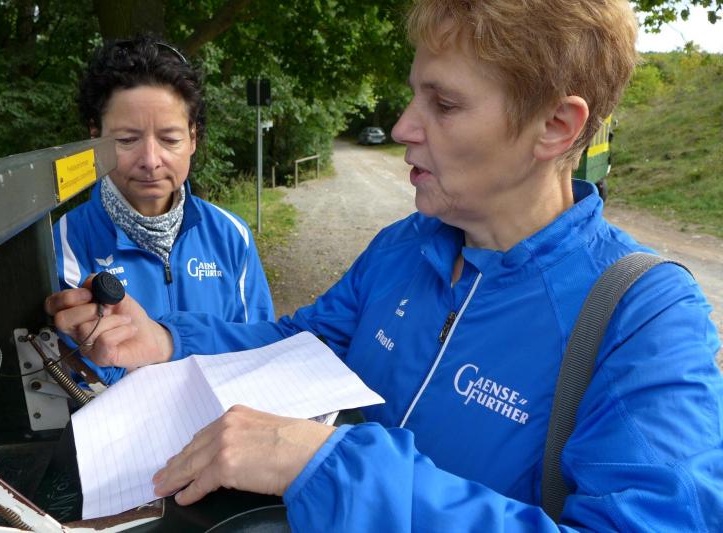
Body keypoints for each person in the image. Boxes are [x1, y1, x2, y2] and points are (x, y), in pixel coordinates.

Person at [47, 1, 723, 530]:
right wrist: (166, 339)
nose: (402, 127)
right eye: (414, 95)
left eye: (444, 103)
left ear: (556, 127)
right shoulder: (406, 245)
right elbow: (304, 342)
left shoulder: (643, 316)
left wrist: (329, 466)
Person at [53, 36, 274, 384]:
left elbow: (260, 349)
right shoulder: (66, 245)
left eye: (170, 139)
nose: (151, 161)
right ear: (95, 138)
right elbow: (72, 380)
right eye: (126, 140)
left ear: (193, 138)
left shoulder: (232, 237)